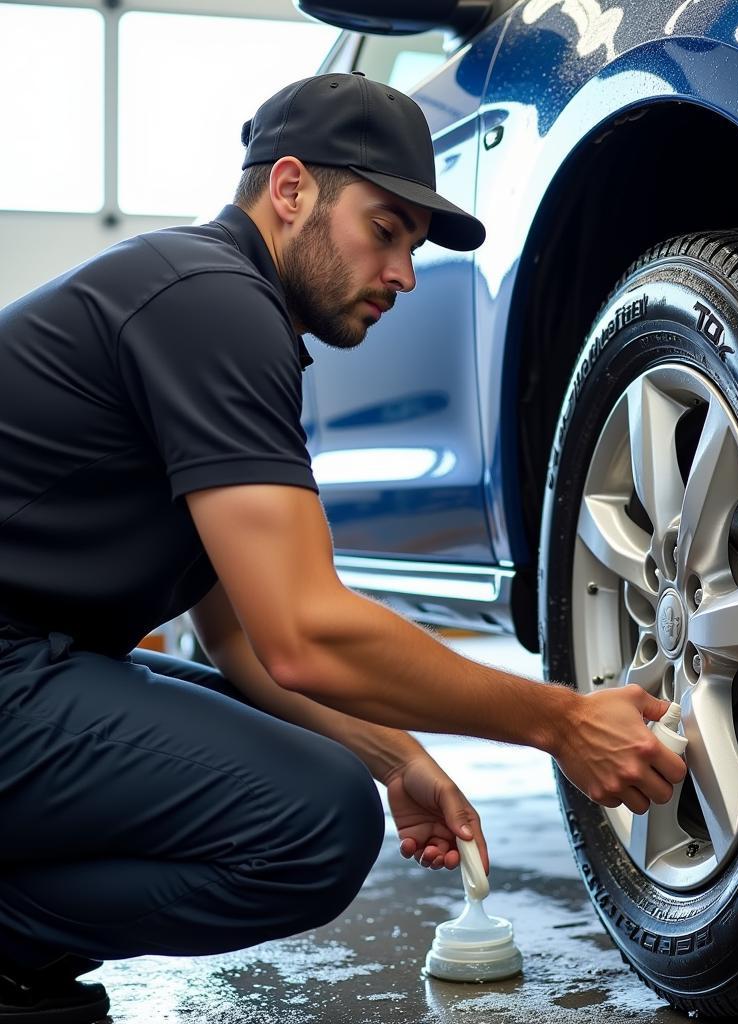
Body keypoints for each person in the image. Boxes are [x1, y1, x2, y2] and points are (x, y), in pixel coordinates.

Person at [0, 73, 687, 1023]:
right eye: (386, 229)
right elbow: (304, 637)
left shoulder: (212, 306)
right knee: (314, 821)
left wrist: (399, 757)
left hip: (31, 663)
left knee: (291, 749)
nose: (405, 273)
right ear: (290, 191)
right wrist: (558, 721)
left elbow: (242, 639)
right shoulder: (212, 302)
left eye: (412, 245)